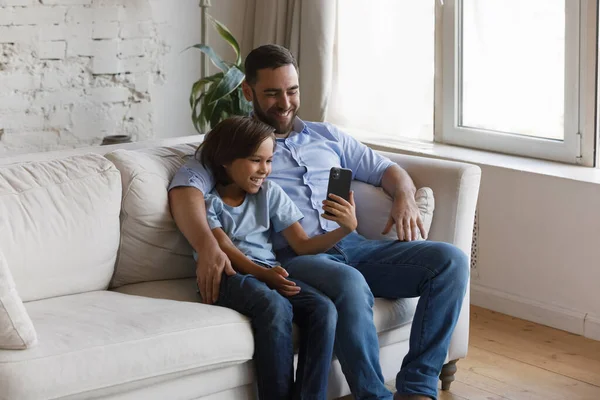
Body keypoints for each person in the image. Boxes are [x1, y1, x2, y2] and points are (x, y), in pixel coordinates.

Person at [168, 44, 469, 400]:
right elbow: (185, 187)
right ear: (248, 92)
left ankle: (417, 389)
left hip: (354, 244)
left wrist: (404, 197)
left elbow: (387, 169)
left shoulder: (328, 136)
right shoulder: (237, 146)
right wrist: (206, 245)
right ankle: (374, 395)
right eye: (272, 93)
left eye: (292, 91)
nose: (285, 102)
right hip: (298, 256)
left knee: (450, 262)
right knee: (349, 282)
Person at [189, 115, 362, 400]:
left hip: (269, 271)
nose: (265, 170)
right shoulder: (208, 204)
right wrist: (264, 275)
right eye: (256, 160)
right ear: (225, 160)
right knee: (274, 305)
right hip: (228, 276)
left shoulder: (270, 193)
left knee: (324, 309)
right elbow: (225, 251)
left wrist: (345, 229)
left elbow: (303, 245)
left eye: (269, 161)